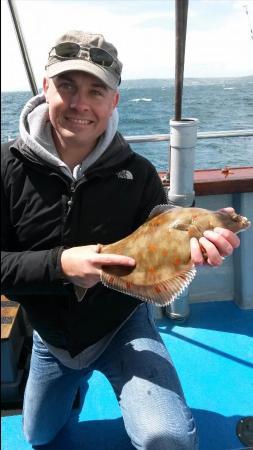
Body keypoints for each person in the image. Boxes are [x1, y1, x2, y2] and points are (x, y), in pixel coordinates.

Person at [1, 30, 240, 450]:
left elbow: (162, 221)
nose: (80, 104)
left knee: (166, 440)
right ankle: (72, 387)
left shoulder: (139, 172)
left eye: (96, 91)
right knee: (38, 435)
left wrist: (199, 239)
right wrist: (61, 266)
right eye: (67, 86)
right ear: (45, 88)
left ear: (114, 101)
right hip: (51, 337)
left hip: (121, 324)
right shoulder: (7, 169)